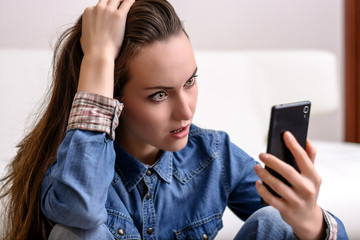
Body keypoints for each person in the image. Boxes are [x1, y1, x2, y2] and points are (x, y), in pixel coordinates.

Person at [0, 0, 348, 239]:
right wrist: (99, 60)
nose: (186, 111)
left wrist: (311, 221)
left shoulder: (213, 154)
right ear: (113, 96)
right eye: (159, 95)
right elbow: (81, 213)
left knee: (277, 219)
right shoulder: (69, 172)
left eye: (190, 81)